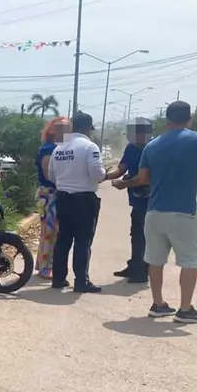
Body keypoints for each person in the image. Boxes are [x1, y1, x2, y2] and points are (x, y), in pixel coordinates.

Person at [111, 101, 197, 323]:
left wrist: (123, 183)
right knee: (189, 261)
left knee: (155, 260)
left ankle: (158, 304)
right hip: (183, 213)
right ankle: (185, 309)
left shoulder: (152, 146)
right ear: (189, 119)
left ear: (166, 121)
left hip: (154, 211)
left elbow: (142, 178)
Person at [48, 112, 108, 293]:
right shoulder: (90, 147)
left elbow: (51, 176)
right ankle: (81, 281)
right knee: (83, 241)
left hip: (63, 199)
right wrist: (105, 173)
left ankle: (58, 279)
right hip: (84, 201)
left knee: (63, 240)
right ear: (89, 128)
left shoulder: (59, 148)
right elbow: (97, 174)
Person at [105, 117, 153, 284]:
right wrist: (105, 176)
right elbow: (122, 168)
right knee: (136, 234)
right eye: (135, 132)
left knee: (145, 236)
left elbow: (146, 178)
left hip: (152, 200)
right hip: (137, 199)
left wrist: (124, 184)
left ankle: (142, 272)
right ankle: (134, 265)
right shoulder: (131, 148)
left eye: (141, 132)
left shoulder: (154, 148)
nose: (137, 136)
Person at [34, 116, 71, 279]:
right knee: (50, 232)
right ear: (51, 131)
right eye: (60, 128)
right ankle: (46, 268)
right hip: (50, 194)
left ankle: (42, 264)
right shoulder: (48, 149)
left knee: (50, 232)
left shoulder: (59, 148)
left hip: (53, 193)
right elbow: (49, 175)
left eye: (67, 128)